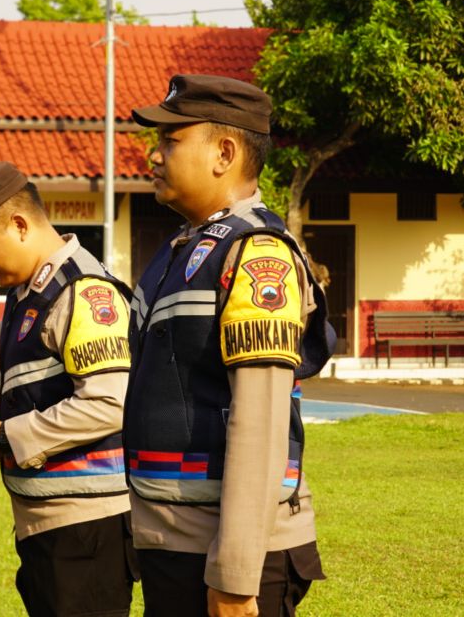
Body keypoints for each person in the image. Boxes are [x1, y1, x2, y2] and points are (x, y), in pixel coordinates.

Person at [122, 74, 333, 617]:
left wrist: (236, 575)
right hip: (178, 542)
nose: (153, 156)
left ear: (224, 153)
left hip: (230, 557)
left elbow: (259, 420)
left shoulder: (257, 253)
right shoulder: (182, 250)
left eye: (171, 140)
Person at [0, 161, 138, 617]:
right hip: (50, 526)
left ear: (20, 225)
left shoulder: (83, 292)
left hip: (86, 530)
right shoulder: (29, 292)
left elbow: (109, 402)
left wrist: (2, 437)